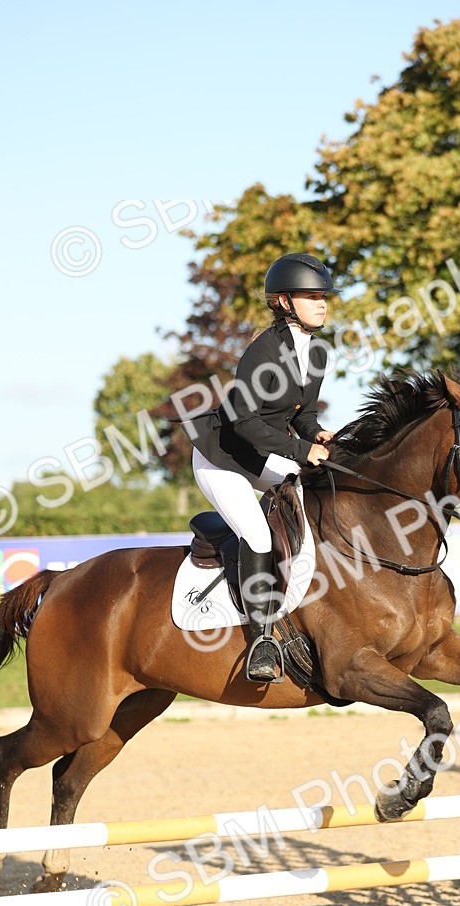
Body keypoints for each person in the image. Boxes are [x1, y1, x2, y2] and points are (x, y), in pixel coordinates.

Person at [186, 253, 336, 683]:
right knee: (255, 532)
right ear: (285, 302)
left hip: (262, 454)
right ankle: (262, 640)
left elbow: (301, 413)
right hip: (222, 458)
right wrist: (298, 449)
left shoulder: (319, 350)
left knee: (313, 495)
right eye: (312, 296)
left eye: (323, 296)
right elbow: (243, 421)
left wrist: (317, 434)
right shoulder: (264, 350)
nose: (322, 303)